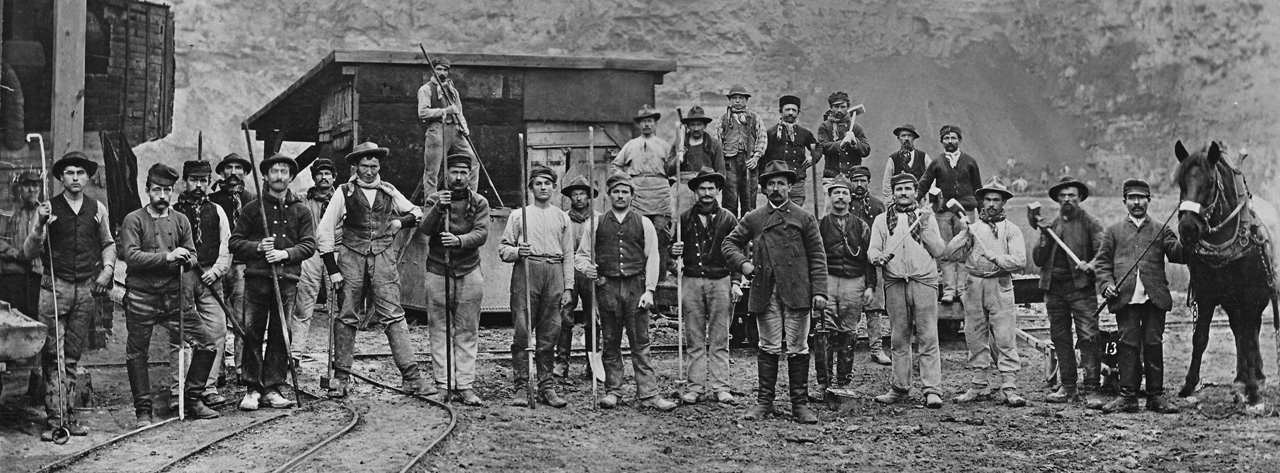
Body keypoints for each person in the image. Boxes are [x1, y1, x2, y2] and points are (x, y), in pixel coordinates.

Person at [722, 160, 828, 424]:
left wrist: (820, 292)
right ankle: (764, 402)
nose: (777, 188)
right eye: (771, 184)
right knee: (767, 346)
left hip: (797, 293)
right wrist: (744, 264)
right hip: (765, 291)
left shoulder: (804, 218)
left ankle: (799, 405)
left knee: (798, 348)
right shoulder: (754, 218)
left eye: (781, 183)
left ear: (790, 186)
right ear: (764, 189)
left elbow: (817, 256)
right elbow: (729, 243)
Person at [318, 143, 426, 398]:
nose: (369, 171)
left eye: (374, 166)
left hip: (383, 259)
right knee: (347, 315)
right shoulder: (343, 192)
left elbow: (416, 213)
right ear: (355, 166)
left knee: (393, 314)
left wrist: (400, 222)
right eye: (364, 166)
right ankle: (341, 378)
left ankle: (411, 378)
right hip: (351, 258)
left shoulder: (388, 191)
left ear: (379, 167)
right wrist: (332, 269)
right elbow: (323, 232)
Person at [25, 152, 116, 438]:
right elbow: (29, 252)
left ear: (88, 177)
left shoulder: (97, 208)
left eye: (80, 172)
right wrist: (40, 224)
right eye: (69, 173)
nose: (75, 177)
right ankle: (55, 421)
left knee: (73, 356)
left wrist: (108, 269)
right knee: (53, 355)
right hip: (54, 288)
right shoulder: (47, 209)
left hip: (84, 290)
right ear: (61, 178)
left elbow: (108, 243)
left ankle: (70, 417)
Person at [120, 164, 220, 426]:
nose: (162, 195)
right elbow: (131, 256)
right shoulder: (134, 219)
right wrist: (168, 256)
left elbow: (193, 254)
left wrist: (187, 260)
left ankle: (193, 398)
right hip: (142, 298)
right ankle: (143, 410)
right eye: (156, 190)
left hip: (175, 298)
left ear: (172, 191)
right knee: (137, 353)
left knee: (207, 344)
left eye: (166, 190)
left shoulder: (180, 220)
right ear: (147, 190)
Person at [575, 173, 678, 412]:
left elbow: (653, 257)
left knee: (640, 343)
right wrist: (587, 268)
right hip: (607, 288)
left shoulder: (644, 223)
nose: (620, 196)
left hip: (636, 288)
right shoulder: (596, 223)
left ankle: (649, 394)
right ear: (609, 195)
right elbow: (581, 255)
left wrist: (650, 290)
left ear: (632, 196)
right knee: (610, 343)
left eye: (625, 192)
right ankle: (613, 391)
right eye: (616, 192)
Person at [230, 153, 316, 410]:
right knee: (253, 331)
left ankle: (273, 387)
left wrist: (285, 254)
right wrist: (257, 247)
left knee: (281, 332)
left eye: (284, 172)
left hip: (287, 279)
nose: (279, 176)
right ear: (266, 176)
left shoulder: (301, 210)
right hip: (257, 279)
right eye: (274, 171)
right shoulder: (253, 208)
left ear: (290, 177)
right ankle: (253, 388)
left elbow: (309, 245)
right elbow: (235, 243)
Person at [1093, 179, 1184, 414]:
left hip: (1154, 298)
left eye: (1141, 197)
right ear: (1124, 202)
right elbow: (1102, 264)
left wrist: (1189, 233)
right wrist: (1107, 285)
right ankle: (1128, 396)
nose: (1136, 202)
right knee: (1128, 345)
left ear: (1149, 201)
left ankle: (1155, 396)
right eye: (1132, 198)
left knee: (1153, 344)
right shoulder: (1113, 231)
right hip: (1125, 298)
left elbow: (1177, 254)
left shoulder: (1162, 229)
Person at [942, 178, 1027, 407]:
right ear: (981, 202)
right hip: (974, 284)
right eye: (987, 199)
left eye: (996, 200)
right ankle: (979, 384)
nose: (991, 204)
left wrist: (998, 258)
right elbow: (950, 254)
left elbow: (1020, 261)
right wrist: (963, 234)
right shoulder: (973, 229)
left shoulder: (1012, 230)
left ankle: (1009, 387)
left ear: (1003, 203)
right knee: (974, 334)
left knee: (1004, 336)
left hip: (1000, 284)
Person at [868, 173, 947, 409]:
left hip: (923, 281)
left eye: (908, 189)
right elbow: (872, 249)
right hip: (894, 282)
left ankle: (932, 390)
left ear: (916, 192)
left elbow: (938, 250)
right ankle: (899, 388)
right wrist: (877, 257)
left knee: (928, 335)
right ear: (893, 193)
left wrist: (925, 226)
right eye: (899, 189)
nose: (903, 193)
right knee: (898, 337)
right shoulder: (882, 220)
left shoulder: (926, 217)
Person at [500, 165, 574, 408]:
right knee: (522, 330)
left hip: (553, 270)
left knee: (550, 331)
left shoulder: (562, 217)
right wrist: (516, 251)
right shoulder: (518, 215)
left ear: (554, 188)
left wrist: (568, 287)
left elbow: (569, 254)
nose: (543, 187)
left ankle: (546, 386)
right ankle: (521, 386)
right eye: (538, 183)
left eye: (548, 183)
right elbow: (503, 249)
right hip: (527, 270)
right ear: (531, 187)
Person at [419, 155, 490, 406]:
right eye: (453, 172)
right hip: (438, 270)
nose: (458, 177)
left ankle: (465, 385)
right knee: (439, 328)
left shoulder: (480, 202)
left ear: (470, 175)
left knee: (467, 329)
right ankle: (443, 384)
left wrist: (459, 241)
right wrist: (439, 208)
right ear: (446, 174)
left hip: (469, 271)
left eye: (463, 172)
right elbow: (425, 230)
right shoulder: (434, 199)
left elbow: (481, 234)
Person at [669, 167, 741, 405]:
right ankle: (695, 387)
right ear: (696, 192)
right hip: (691, 280)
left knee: (720, 338)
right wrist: (674, 252)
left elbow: (739, 253)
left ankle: (721, 387)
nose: (707, 193)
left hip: (721, 281)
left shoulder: (729, 219)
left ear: (719, 191)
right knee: (694, 337)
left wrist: (737, 282)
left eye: (711, 188)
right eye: (702, 188)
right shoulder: (684, 218)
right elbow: (671, 253)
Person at [1032, 177, 1105, 405]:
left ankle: (1092, 389)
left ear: (1080, 198)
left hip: (1081, 289)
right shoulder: (1051, 225)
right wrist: (1043, 236)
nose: (1067, 200)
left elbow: (1103, 253)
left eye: (1071, 195)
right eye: (1062, 196)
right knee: (1060, 338)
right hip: (1054, 289)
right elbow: (1038, 259)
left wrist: (1091, 265)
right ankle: (1068, 387)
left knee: (1088, 337)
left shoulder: (1091, 223)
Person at [168, 160, 233, 412]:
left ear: (208, 183)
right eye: (193, 180)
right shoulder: (172, 212)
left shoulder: (217, 210)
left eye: (203, 181)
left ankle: (207, 387)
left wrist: (216, 271)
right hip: (182, 278)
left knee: (216, 331)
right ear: (185, 181)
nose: (198, 186)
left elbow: (227, 245)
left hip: (210, 279)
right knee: (181, 336)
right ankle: (180, 390)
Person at [814, 175, 873, 397]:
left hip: (854, 282)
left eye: (844, 193)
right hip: (827, 280)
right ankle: (823, 383)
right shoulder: (819, 225)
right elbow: (815, 257)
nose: (840, 197)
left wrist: (870, 286)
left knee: (849, 330)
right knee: (823, 329)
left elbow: (869, 257)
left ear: (850, 198)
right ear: (829, 197)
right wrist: (816, 287)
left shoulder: (861, 226)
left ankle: (843, 382)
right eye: (836, 193)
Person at [611, 105, 676, 283]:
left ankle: (660, 284)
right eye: (643, 121)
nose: (646, 124)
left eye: (650, 121)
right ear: (639, 125)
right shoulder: (631, 145)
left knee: (661, 238)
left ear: (655, 123)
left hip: (660, 196)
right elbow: (615, 166)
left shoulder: (663, 146)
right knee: (637, 237)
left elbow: (672, 170)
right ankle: (638, 282)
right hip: (638, 196)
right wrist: (627, 181)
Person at [919, 125, 982, 303]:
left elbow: (978, 187)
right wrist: (917, 201)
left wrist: (982, 209)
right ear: (941, 141)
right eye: (946, 138)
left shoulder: (970, 161)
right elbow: (924, 183)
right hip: (943, 212)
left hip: (966, 211)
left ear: (959, 140)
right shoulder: (937, 162)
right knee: (946, 252)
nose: (950, 141)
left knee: (964, 250)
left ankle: (962, 291)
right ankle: (948, 291)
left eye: (953, 138)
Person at [209, 153, 252, 383]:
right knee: (216, 321)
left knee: (242, 319)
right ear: (222, 172)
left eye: (238, 168)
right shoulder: (211, 201)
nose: (233, 172)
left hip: (242, 266)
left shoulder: (253, 201)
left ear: (245, 173)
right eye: (229, 168)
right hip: (217, 265)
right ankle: (217, 371)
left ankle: (241, 368)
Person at [290, 157, 337, 363]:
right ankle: (295, 354)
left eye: (328, 173)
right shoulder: (303, 199)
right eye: (320, 173)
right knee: (303, 304)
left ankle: (340, 357)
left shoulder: (343, 197)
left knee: (337, 307)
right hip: (311, 254)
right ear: (313, 177)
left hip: (336, 253)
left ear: (334, 176)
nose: (324, 177)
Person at [845, 166, 891, 366]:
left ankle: (876, 348)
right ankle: (848, 349)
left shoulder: (878, 205)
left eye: (863, 180)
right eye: (856, 180)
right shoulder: (844, 203)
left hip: (873, 262)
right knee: (851, 308)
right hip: (852, 263)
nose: (859, 185)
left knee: (875, 308)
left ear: (869, 182)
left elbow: (888, 231)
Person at [555, 175, 597, 379]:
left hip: (590, 273)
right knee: (565, 318)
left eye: (583, 194)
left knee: (593, 320)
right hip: (568, 272)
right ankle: (562, 363)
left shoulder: (598, 219)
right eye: (575, 194)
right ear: (570, 197)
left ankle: (593, 365)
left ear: (589, 197)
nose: (579, 198)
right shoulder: (562, 218)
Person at [417, 56, 479, 192]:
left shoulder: (452, 90)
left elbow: (459, 111)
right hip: (437, 130)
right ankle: (431, 204)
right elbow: (422, 113)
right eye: (439, 69)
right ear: (433, 71)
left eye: (445, 70)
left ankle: (470, 199)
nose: (442, 73)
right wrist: (444, 111)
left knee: (473, 161)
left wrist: (464, 128)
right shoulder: (426, 89)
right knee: (432, 171)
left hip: (455, 130)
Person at [710, 84, 767, 215]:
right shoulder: (723, 119)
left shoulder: (754, 118)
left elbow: (762, 138)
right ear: (730, 100)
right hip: (730, 164)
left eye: (741, 98)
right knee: (730, 198)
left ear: (746, 100)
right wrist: (721, 163)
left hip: (749, 163)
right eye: (734, 97)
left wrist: (756, 157)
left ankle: (748, 231)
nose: (737, 101)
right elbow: (717, 142)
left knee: (749, 200)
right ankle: (730, 230)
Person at [761, 95, 818, 205]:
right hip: (777, 183)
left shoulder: (804, 133)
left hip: (797, 182)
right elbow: (763, 158)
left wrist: (813, 157)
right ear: (780, 111)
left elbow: (817, 147)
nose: (791, 113)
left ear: (798, 112)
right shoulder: (770, 133)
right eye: (787, 110)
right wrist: (764, 184)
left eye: (794, 110)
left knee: (797, 215)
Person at [1, 171, 43, 318]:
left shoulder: (43, 212)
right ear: (19, 188)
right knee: (14, 318)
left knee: (35, 319)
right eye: (27, 186)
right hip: (13, 275)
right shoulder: (7, 211)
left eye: (35, 185)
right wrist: (17, 255)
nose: (31, 190)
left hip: (36, 276)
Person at [815, 91, 871, 180]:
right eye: (836, 107)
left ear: (847, 107)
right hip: (832, 177)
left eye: (843, 107)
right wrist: (841, 144)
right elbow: (822, 147)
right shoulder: (825, 126)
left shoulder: (856, 128)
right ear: (831, 108)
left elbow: (866, 150)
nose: (839, 110)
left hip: (853, 177)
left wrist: (855, 142)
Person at [880, 125, 928, 203]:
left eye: (909, 136)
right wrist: (890, 203)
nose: (906, 138)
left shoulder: (923, 156)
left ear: (914, 138)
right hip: (900, 201)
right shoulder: (893, 159)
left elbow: (932, 178)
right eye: (903, 136)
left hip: (920, 202)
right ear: (898, 139)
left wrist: (927, 199)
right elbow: (887, 182)